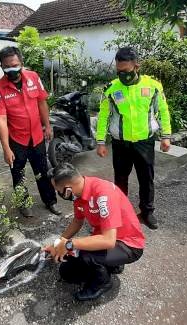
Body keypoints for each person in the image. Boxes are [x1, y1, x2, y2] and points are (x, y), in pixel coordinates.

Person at [43, 163, 145, 301]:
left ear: (67, 190)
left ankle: (103, 283)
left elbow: (108, 241)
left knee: (85, 255)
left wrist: (69, 245)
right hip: (107, 238)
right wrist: (58, 243)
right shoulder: (79, 193)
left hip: (128, 244)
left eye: (58, 190)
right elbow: (77, 222)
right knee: (66, 273)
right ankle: (112, 264)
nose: (58, 194)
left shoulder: (103, 193)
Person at [96, 47, 172, 230]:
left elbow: (163, 111)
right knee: (120, 180)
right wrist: (100, 141)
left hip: (144, 142)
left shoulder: (153, 86)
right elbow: (104, 116)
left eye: (126, 71)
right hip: (121, 144)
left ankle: (147, 212)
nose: (122, 75)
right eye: (119, 71)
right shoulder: (112, 89)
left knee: (146, 179)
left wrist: (166, 136)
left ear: (136, 66)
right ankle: (120, 213)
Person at [0, 46, 60, 217]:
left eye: (15, 65)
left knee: (43, 171)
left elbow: (42, 103)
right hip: (17, 141)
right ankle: (23, 203)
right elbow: (1, 120)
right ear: (1, 66)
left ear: (21, 63)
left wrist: (48, 126)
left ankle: (50, 201)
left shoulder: (34, 78)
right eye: (7, 67)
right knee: (18, 174)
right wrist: (6, 148)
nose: (11, 70)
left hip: (36, 136)